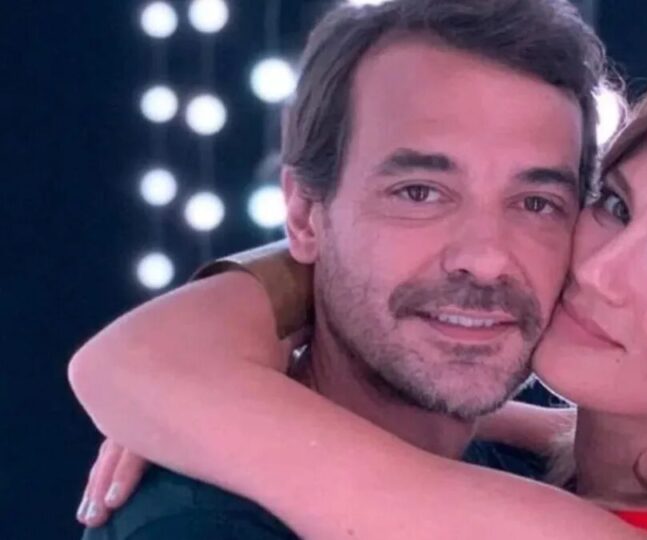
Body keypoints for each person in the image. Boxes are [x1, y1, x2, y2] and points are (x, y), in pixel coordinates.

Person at [72, 48, 647, 539]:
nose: (598, 270)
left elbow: (124, 366)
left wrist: (321, 261)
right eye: (614, 205)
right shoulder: (583, 466)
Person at [70, 0, 608, 538]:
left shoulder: (559, 480)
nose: (487, 261)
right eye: (419, 193)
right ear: (304, 215)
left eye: (537, 203)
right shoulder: (198, 525)